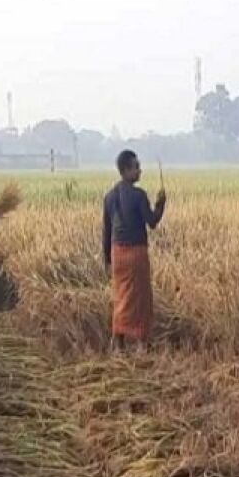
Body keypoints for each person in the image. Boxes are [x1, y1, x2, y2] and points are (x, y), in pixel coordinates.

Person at [102, 150, 167, 350]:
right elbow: (152, 222)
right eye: (136, 167)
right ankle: (141, 343)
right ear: (126, 170)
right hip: (136, 252)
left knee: (121, 295)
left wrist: (107, 259)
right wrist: (160, 204)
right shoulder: (139, 195)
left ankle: (118, 342)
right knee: (140, 297)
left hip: (117, 253)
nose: (140, 170)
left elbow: (106, 229)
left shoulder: (109, 196)